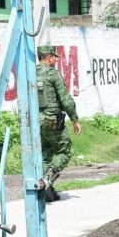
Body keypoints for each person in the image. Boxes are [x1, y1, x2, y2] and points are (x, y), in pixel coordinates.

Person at [37, 45, 82, 202]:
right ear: (49, 57)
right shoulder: (52, 74)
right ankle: (46, 180)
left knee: (45, 154)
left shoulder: (31, 73)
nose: (56, 60)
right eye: (54, 57)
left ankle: (47, 190)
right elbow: (65, 99)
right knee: (64, 151)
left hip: (35, 123)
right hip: (51, 121)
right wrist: (75, 119)